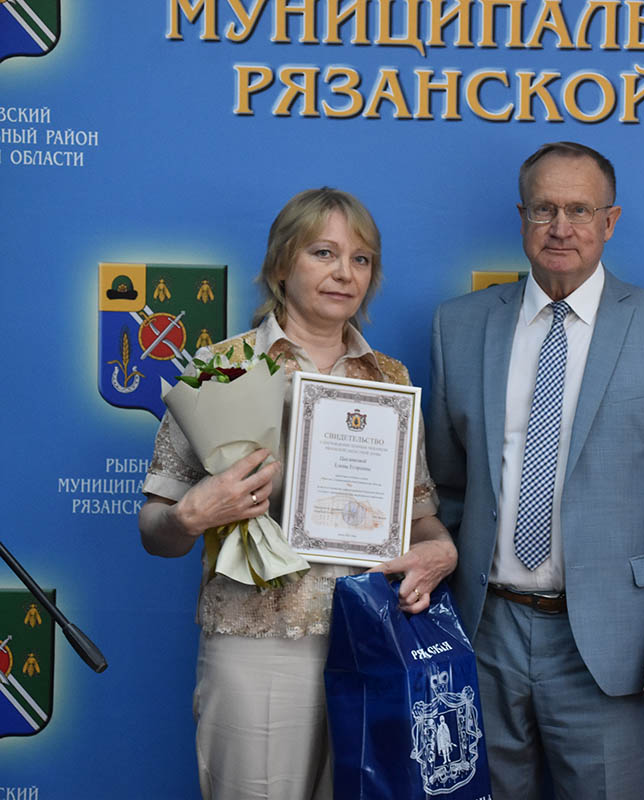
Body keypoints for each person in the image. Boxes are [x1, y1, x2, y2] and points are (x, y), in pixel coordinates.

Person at [427, 142, 644, 798]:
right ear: (521, 218)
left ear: (610, 222)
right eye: (544, 209)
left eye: (579, 210)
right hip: (484, 635)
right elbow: (445, 491)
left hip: (612, 643)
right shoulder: (458, 326)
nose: (560, 227)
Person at [138, 187, 457, 800]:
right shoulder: (220, 366)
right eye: (323, 252)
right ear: (282, 263)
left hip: (374, 638)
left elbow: (419, 517)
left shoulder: (390, 378)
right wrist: (188, 517)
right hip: (258, 644)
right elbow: (155, 529)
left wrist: (441, 549)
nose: (344, 273)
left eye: (361, 259)